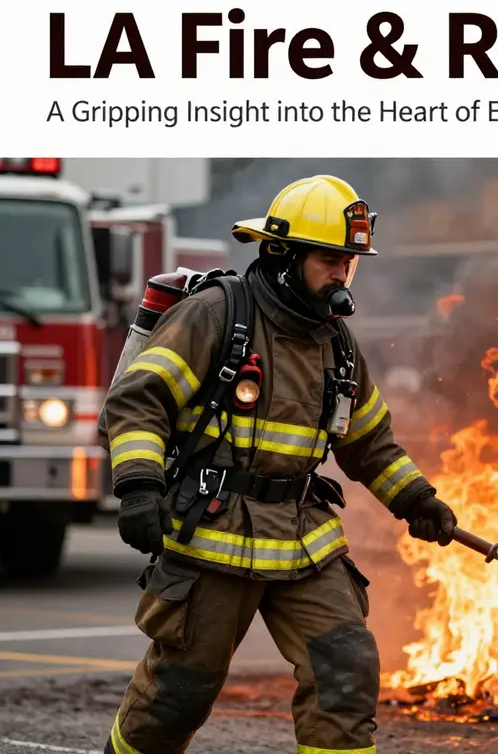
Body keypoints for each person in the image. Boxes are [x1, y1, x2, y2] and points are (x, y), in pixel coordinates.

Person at [101, 174, 458, 754]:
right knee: (179, 695)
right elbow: (139, 401)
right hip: (211, 533)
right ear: (281, 254)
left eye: (350, 261)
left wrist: (416, 498)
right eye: (329, 259)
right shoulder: (215, 315)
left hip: (301, 539)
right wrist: (139, 486)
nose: (342, 274)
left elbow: (369, 441)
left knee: (345, 670)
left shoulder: (336, 344)